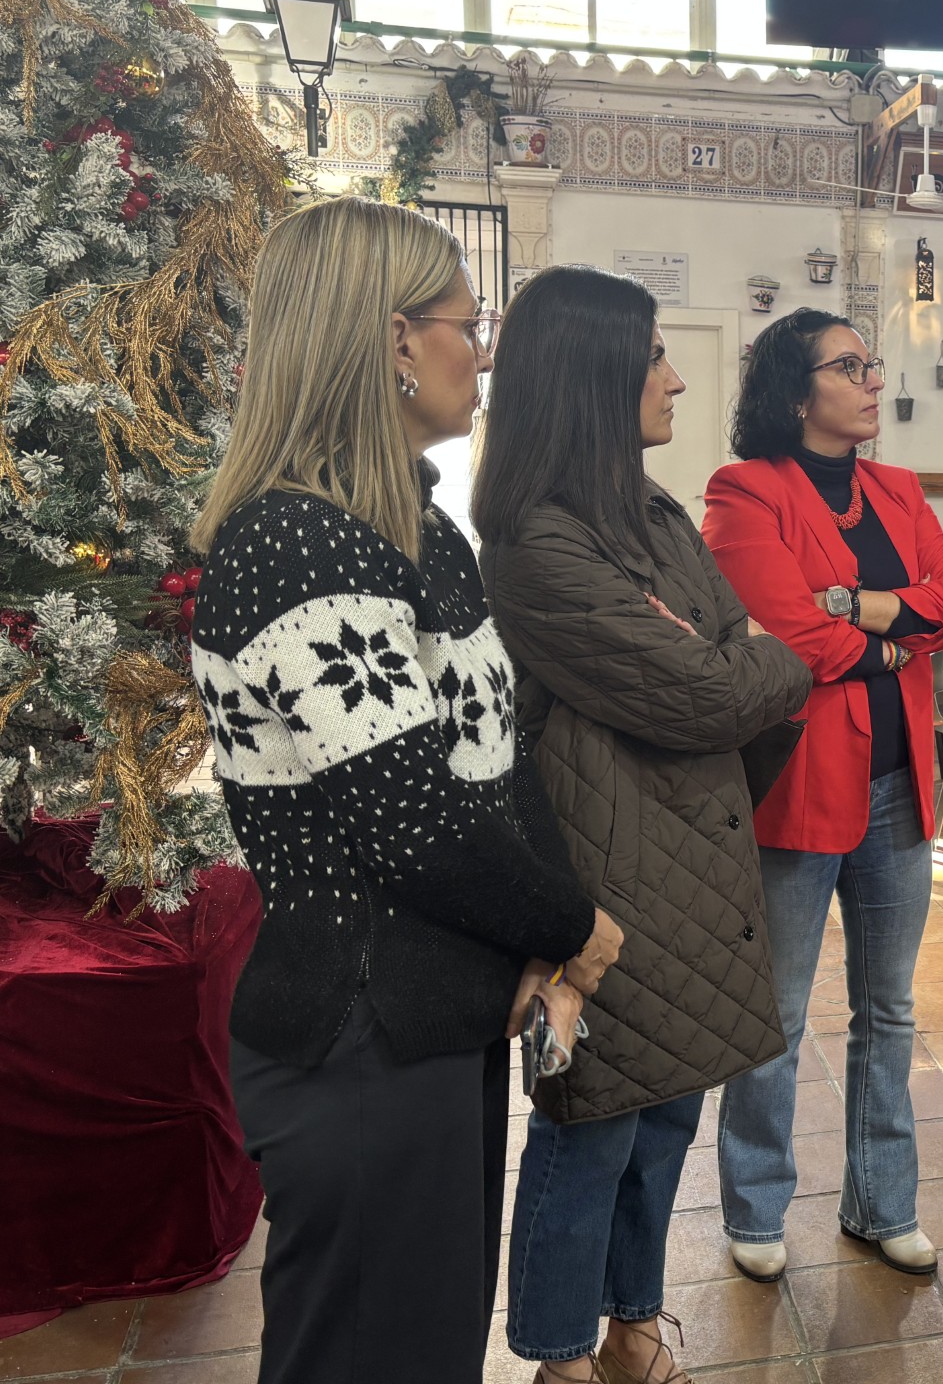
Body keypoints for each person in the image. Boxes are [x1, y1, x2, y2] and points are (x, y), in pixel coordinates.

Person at [188, 195, 624, 1384]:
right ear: (390, 340)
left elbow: (495, 757)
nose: (481, 351)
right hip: (357, 1037)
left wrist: (540, 938)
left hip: (434, 1016)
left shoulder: (412, 530)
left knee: (426, 1351)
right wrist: (574, 930)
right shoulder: (299, 543)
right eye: (464, 323)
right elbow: (413, 823)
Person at [474, 267, 813, 1384]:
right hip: (608, 881)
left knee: (667, 1123)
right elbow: (720, 689)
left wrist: (738, 667)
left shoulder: (656, 514)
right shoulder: (537, 544)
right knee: (591, 1131)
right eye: (655, 357)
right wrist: (738, 669)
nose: (675, 378)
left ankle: (632, 1325)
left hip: (698, 865)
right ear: (593, 378)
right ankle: (562, 1357)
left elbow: (754, 662)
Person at [701, 309, 943, 1282]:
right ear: (793, 390)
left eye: (871, 363)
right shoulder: (745, 492)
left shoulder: (898, 491)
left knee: (888, 1011)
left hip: (900, 787)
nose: (870, 380)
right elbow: (785, 639)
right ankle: (757, 1207)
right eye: (847, 365)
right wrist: (901, 637)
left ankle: (881, 1203)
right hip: (799, 792)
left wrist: (860, 609)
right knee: (772, 1015)